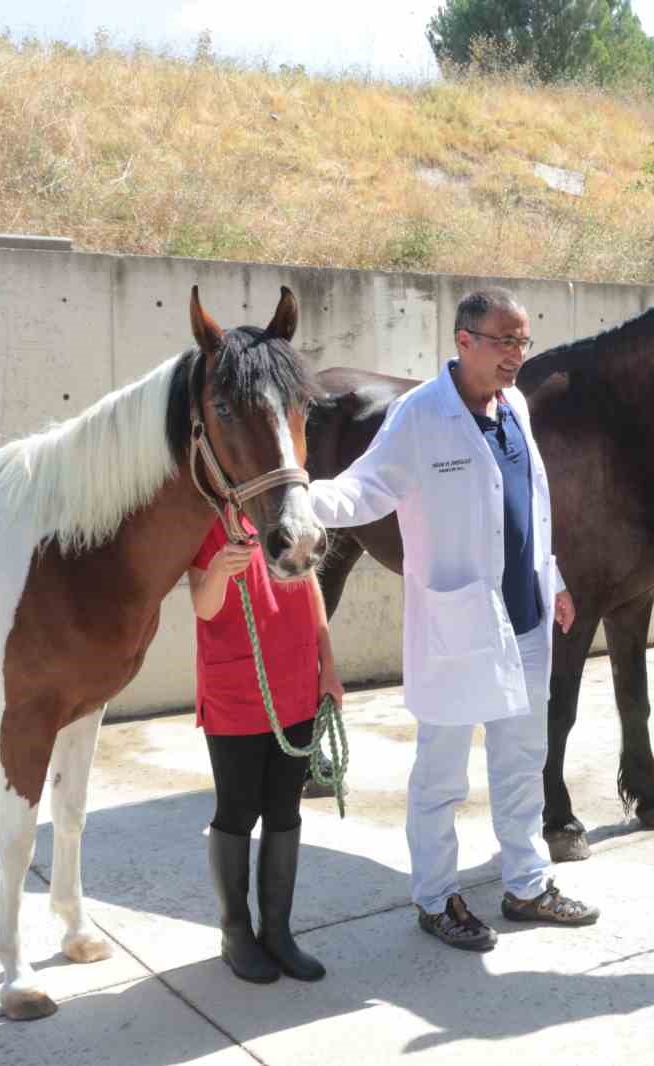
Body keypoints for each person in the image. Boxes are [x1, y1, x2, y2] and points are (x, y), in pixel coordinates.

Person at [306, 287, 598, 950]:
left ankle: (526, 885)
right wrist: (299, 501)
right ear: (463, 340)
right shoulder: (420, 415)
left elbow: (532, 504)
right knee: (442, 774)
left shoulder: (516, 405)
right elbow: (366, 486)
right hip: (457, 622)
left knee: (524, 759)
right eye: (504, 340)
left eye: (523, 341)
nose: (517, 355)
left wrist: (552, 578)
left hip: (524, 619)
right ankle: (436, 898)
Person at [191, 515, 343, 984]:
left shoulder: (289, 512)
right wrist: (218, 569)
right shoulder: (207, 524)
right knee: (237, 811)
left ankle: (277, 932)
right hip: (236, 691)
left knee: (285, 810)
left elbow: (311, 586)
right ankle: (235, 934)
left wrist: (328, 665)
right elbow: (204, 606)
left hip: (296, 683)